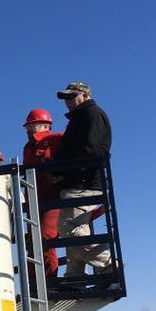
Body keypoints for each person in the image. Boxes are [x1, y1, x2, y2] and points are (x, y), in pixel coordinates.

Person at [53, 82, 113, 277]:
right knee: (77, 228)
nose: (67, 101)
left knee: (68, 228)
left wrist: (62, 170)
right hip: (79, 181)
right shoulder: (80, 118)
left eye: (71, 96)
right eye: (65, 98)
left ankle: (108, 264)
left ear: (85, 95)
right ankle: (74, 276)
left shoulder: (92, 114)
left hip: (84, 183)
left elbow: (91, 150)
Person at [22, 108, 63, 279]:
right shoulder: (27, 148)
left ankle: (49, 283)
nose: (30, 130)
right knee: (32, 243)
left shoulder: (56, 139)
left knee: (46, 238)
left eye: (34, 125)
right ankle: (34, 284)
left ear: (47, 125)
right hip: (35, 199)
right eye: (28, 127)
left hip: (53, 198)